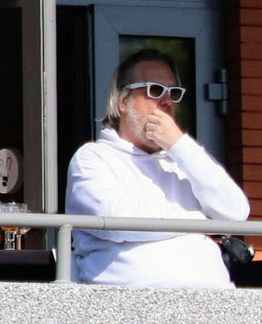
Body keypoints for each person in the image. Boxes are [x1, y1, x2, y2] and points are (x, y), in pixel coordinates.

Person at [65, 48, 249, 288]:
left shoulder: (184, 159)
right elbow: (117, 221)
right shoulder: (94, 157)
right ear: (123, 101)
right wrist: (200, 221)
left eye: (173, 93)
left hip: (213, 297)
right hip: (132, 300)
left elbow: (236, 213)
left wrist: (179, 145)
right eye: (154, 90)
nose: (166, 101)